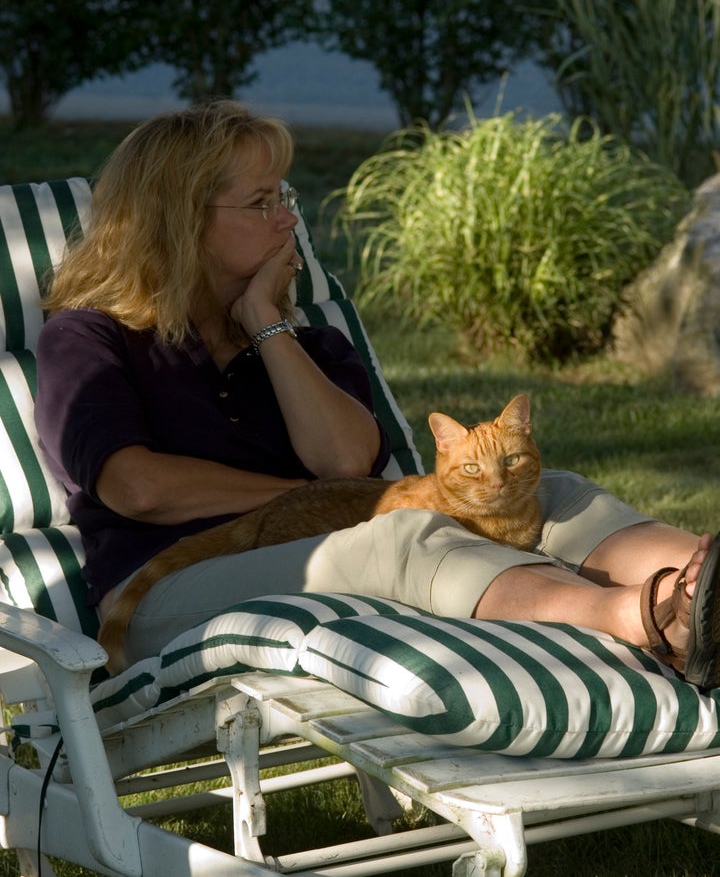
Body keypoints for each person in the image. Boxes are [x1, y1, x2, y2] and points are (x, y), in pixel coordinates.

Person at [35, 99, 720, 689]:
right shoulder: (91, 339)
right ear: (181, 221)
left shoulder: (304, 344)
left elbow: (344, 462)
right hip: (168, 589)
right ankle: (647, 619)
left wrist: (266, 325)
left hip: (329, 539)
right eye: (261, 202)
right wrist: (302, 500)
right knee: (400, 537)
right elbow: (136, 487)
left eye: (286, 197)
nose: (288, 222)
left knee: (552, 492)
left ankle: (704, 585)